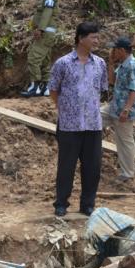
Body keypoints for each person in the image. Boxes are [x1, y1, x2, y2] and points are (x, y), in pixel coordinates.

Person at [48, 21, 108, 217]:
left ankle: (87, 204)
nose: (97, 41)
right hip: (69, 125)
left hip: (93, 124)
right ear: (81, 38)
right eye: (94, 37)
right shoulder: (63, 63)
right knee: (66, 166)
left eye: (97, 37)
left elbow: (102, 89)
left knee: (92, 167)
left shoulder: (100, 63)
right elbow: (54, 89)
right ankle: (61, 203)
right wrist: (65, 108)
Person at [101, 36, 135, 182]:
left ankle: (128, 173)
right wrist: (111, 64)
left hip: (123, 110)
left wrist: (127, 109)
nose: (113, 52)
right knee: (95, 117)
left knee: (124, 141)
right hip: (114, 106)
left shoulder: (132, 65)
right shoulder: (123, 64)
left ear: (122, 50)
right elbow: (112, 81)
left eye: (115, 50)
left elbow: (134, 89)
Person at [21, 0, 58, 97]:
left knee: (33, 58)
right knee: (45, 61)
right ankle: (45, 87)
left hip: (45, 33)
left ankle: (35, 87)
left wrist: (41, 29)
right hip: (48, 33)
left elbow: (47, 12)